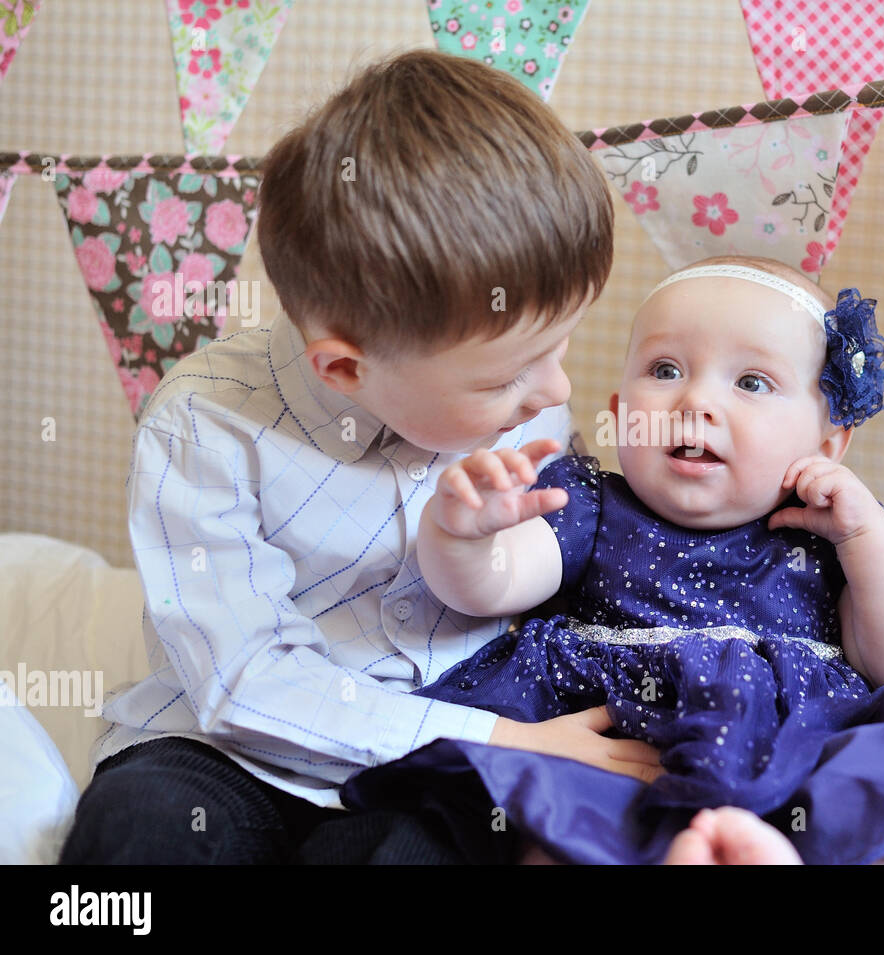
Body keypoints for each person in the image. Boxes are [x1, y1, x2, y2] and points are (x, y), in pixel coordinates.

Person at [57, 48, 629, 864]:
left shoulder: (527, 408)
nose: (553, 389)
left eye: (561, 345)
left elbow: (560, 572)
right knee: (141, 825)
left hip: (437, 743)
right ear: (347, 367)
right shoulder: (204, 421)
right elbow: (244, 680)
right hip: (228, 750)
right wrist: (497, 736)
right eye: (508, 375)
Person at [340, 255, 884, 865]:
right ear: (619, 412)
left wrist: (868, 534)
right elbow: (490, 587)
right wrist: (462, 536)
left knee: (872, 796)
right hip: (617, 740)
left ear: (828, 443)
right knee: (551, 815)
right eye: (665, 371)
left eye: (752, 382)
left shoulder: (828, 535)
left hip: (786, 747)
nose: (696, 401)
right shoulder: (588, 501)